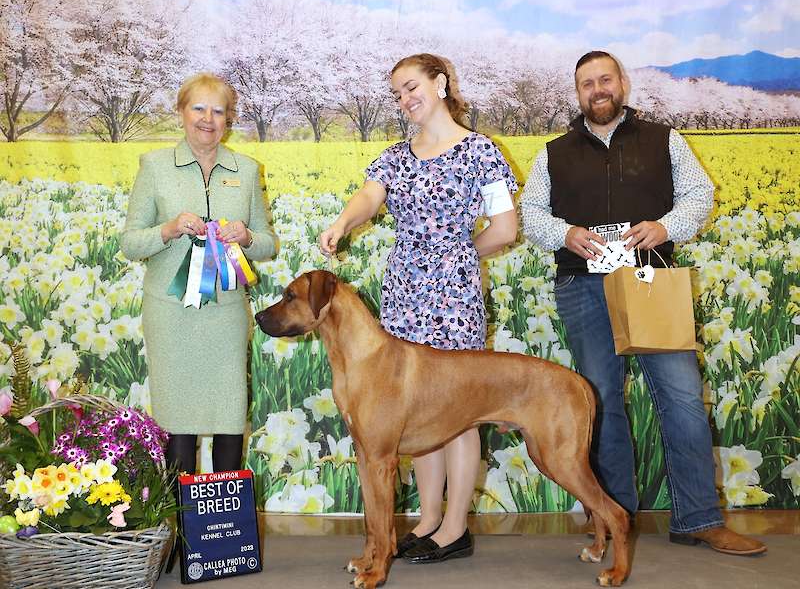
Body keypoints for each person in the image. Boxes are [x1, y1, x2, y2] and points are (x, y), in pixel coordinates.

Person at [521, 51, 766, 555]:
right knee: (601, 405)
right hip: (582, 288)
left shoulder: (664, 139)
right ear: (578, 93)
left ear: (622, 83)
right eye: (587, 83)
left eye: (605, 79)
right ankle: (615, 518)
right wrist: (565, 233)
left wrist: (665, 226)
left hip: (652, 282)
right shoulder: (553, 152)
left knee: (681, 402)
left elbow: (700, 195)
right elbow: (531, 215)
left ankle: (698, 518)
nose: (597, 90)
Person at [319, 53, 518, 563]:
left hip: (455, 295)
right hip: (404, 293)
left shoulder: (482, 151)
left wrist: (459, 256)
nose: (406, 100)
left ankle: (455, 528)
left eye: (412, 87)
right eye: (398, 94)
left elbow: (506, 229)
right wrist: (343, 223)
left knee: (460, 408)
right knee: (416, 409)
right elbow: (369, 195)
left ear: (440, 82)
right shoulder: (393, 156)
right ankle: (428, 519)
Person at [120, 73, 276, 477]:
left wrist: (246, 235)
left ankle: (224, 536)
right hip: (170, 315)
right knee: (177, 426)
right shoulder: (154, 167)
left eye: (218, 111)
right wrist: (168, 229)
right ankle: (180, 536)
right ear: (181, 112)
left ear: (229, 119)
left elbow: (268, 244)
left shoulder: (246, 169)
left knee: (228, 419)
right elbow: (130, 243)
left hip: (225, 315)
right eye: (199, 108)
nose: (208, 119)